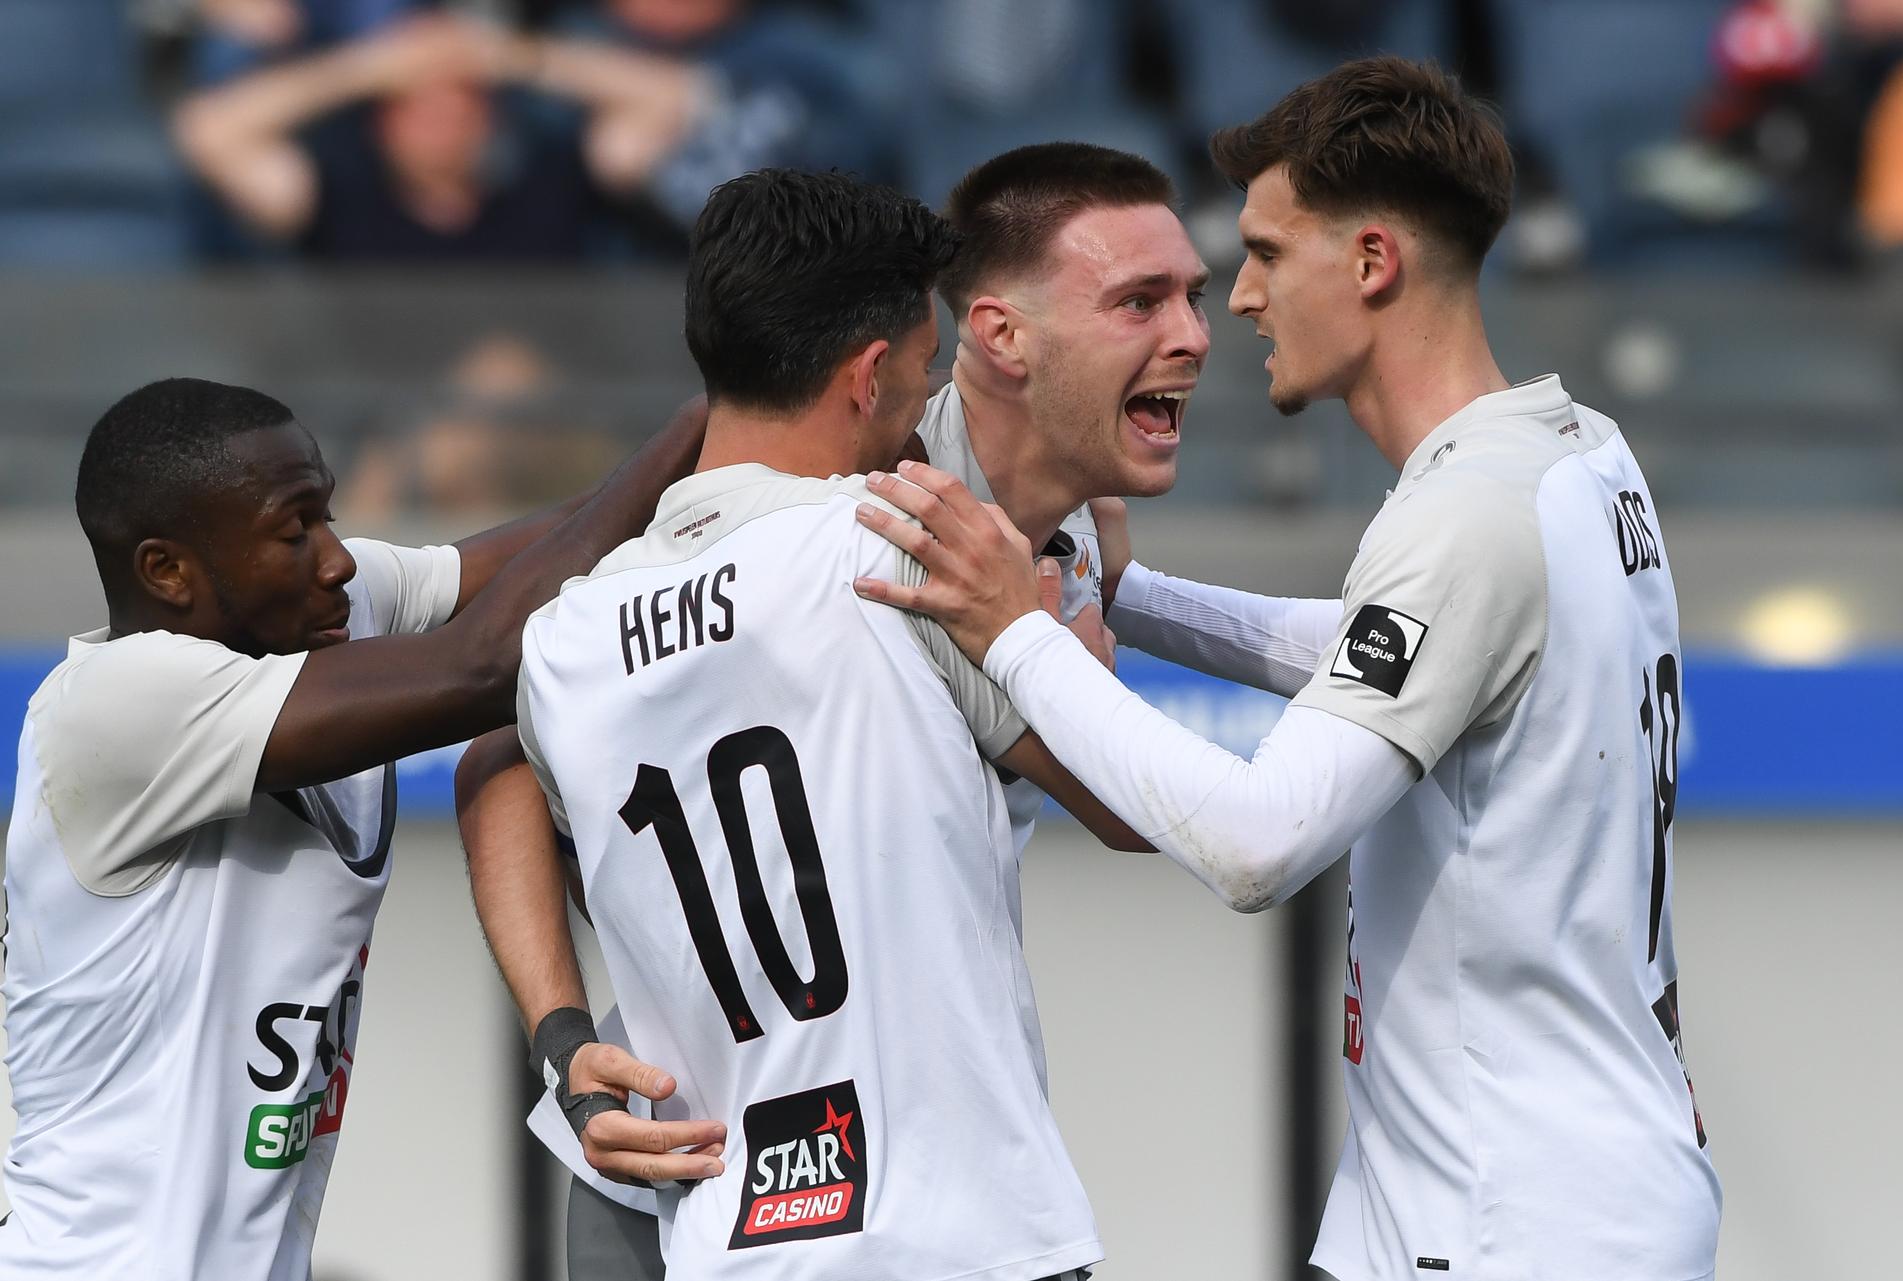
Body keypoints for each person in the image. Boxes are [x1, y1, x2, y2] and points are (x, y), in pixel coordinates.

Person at [854, 57, 1724, 1281]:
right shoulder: (1577, 455)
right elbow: (1408, 659)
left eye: (1264, 255)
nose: (1239, 306)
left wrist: (1014, 632)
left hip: (1517, 1226)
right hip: (1454, 1199)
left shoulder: (1464, 519)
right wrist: (1133, 602)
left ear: (1370, 264)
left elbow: (1260, 843)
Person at [456, 140, 1210, 1277]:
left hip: (718, 1203)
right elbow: (1139, 804)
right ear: (872, 375)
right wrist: (1071, 663)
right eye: (919, 370)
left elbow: (493, 757)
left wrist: (561, 1035)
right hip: (940, 1225)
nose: (925, 397)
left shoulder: (570, 628)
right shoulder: (899, 537)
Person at [0, 376, 708, 1279]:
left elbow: (546, 556)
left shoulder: (318, 613)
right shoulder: (113, 711)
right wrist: (701, 421)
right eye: (294, 532)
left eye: (326, 516)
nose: (336, 559)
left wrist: (721, 471)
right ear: (166, 572)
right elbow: (485, 661)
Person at [171, 12, 706, 261]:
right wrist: (368, 67)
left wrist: (510, 56)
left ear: (491, 116)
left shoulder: (551, 184)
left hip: (547, 434)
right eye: (420, 106)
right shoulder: (336, 197)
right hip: (374, 431)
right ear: (383, 121)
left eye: (462, 101)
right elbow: (208, 131)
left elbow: (680, 97)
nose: (443, 121)